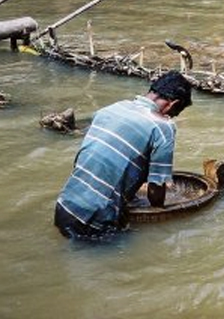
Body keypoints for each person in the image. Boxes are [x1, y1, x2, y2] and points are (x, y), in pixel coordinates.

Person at [54, 71, 193, 240]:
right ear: (172, 104)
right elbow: (156, 187)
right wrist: (159, 213)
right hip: (94, 221)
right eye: (173, 113)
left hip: (63, 206)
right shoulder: (163, 127)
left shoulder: (112, 108)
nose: (170, 117)